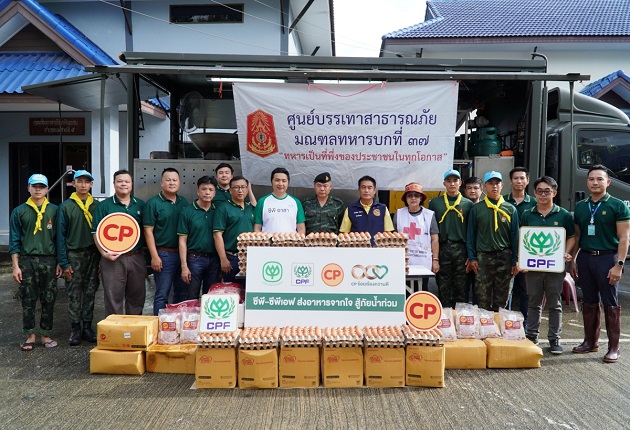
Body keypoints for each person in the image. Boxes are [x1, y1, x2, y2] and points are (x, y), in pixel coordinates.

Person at [570, 164, 630, 363]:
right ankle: (590, 342)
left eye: (599, 179)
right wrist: (574, 259)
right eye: (591, 179)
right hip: (586, 257)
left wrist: (619, 265)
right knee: (589, 300)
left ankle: (614, 348)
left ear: (608, 182)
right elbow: (578, 236)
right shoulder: (581, 206)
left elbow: (624, 238)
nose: (595, 182)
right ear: (587, 182)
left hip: (607, 258)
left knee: (611, 302)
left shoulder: (617, 205)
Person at [520, 176, 575, 354]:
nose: (543, 194)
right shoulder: (527, 214)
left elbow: (571, 237)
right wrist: (522, 260)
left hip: (554, 267)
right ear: (534, 193)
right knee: (533, 302)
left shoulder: (564, 215)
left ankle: (554, 339)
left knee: (554, 303)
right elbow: (522, 238)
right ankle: (531, 336)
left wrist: (566, 252)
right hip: (533, 268)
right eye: (540, 191)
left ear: (554, 193)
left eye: (547, 191)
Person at [10, 174, 61, 351]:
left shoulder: (55, 210)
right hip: (27, 260)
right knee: (28, 298)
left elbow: (59, 239)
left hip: (49, 259)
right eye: (34, 186)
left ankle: (45, 333)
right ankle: (30, 334)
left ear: (47, 189)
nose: (38, 190)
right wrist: (15, 265)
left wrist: (60, 262)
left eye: (41, 187)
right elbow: (14, 240)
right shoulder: (19, 211)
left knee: (49, 298)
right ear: (28, 188)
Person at [92, 170, 146, 316]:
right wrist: (104, 254)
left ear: (132, 184)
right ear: (114, 183)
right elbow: (95, 232)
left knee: (137, 297)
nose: (123, 184)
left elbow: (148, 230)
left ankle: (134, 327)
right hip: (112, 258)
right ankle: (114, 328)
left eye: (127, 181)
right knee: (113, 298)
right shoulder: (104, 206)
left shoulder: (140, 205)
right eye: (120, 181)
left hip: (136, 256)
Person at [57, 170, 101, 346]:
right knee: (74, 292)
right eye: (80, 182)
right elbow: (60, 236)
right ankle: (75, 328)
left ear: (91, 184)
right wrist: (63, 261)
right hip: (73, 254)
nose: (83, 185)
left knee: (90, 291)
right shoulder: (66, 207)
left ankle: (87, 327)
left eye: (87, 182)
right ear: (73, 184)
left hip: (93, 253)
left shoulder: (97, 206)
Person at [467, 171, 519, 311]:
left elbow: (515, 236)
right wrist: (472, 257)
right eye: (490, 183)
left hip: (504, 256)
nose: (494, 186)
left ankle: (500, 323)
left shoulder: (510, 209)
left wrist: (515, 260)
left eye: (497, 183)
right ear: (485, 186)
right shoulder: (477, 209)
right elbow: (471, 235)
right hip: (483, 257)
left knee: (502, 297)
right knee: (482, 296)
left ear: (502, 185)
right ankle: (484, 324)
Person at [143, 168, 189, 315]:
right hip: (164, 255)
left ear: (179, 183)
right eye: (168, 180)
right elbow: (148, 231)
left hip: (183, 255)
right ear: (161, 183)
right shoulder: (153, 203)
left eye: (174, 180)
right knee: (162, 294)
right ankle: (159, 325)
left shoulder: (183, 202)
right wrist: (154, 256)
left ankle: (177, 324)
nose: (171, 183)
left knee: (182, 294)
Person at [429, 170, 474, 307]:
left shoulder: (468, 204)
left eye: (455, 181)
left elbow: (471, 231)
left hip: (461, 248)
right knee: (443, 285)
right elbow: (431, 230)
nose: (452, 184)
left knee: (461, 286)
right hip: (442, 247)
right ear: (444, 184)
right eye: (449, 181)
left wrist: (470, 254)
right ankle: (445, 315)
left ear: (460, 183)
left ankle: (461, 316)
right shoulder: (435, 203)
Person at [178, 176, 220, 299]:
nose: (207, 192)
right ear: (198, 192)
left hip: (214, 259)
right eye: (204, 189)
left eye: (211, 190)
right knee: (192, 296)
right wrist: (184, 266)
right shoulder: (187, 211)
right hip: (195, 259)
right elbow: (182, 241)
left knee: (211, 297)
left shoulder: (218, 210)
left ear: (214, 193)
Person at [504, 167, 537, 322]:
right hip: (505, 252)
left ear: (527, 181)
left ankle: (526, 326)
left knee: (526, 290)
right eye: (516, 178)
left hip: (527, 252)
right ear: (510, 181)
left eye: (522, 178)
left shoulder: (535, 203)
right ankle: (506, 324)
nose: (519, 181)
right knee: (506, 291)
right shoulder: (502, 201)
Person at [214, 176, 255, 284]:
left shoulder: (250, 207)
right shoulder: (224, 208)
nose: (240, 190)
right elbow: (217, 234)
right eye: (236, 187)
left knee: (249, 289)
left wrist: (250, 189)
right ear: (230, 190)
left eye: (243, 187)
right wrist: (223, 258)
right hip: (232, 258)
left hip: (250, 257)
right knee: (231, 290)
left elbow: (256, 206)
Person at [394, 182, 439, 271]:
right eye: (410, 196)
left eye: (416, 195)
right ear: (406, 198)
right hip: (403, 260)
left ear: (421, 198)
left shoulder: (429, 215)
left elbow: (435, 239)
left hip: (424, 260)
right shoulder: (399, 214)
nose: (413, 198)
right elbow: (393, 238)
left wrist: (435, 260)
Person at [339, 175, 394, 246]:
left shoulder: (382, 208)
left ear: (374, 191)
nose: (366, 191)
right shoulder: (350, 209)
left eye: (369, 188)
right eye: (363, 187)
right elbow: (344, 233)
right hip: (357, 249)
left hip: (378, 249)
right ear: (359, 190)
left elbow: (388, 232)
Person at [254, 167, 305, 234]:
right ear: (271, 182)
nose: (280, 184)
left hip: (290, 240)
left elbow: (301, 229)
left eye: (284, 181)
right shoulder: (262, 202)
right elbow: (257, 228)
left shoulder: (296, 202)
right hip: (268, 240)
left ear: (288, 183)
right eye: (277, 180)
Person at [463, 176, 482, 304]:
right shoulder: (461, 206)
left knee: (479, 290)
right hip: (462, 253)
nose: (472, 191)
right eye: (469, 188)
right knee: (463, 288)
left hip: (480, 254)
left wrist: (474, 256)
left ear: (482, 190)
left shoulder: (484, 207)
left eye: (475, 188)